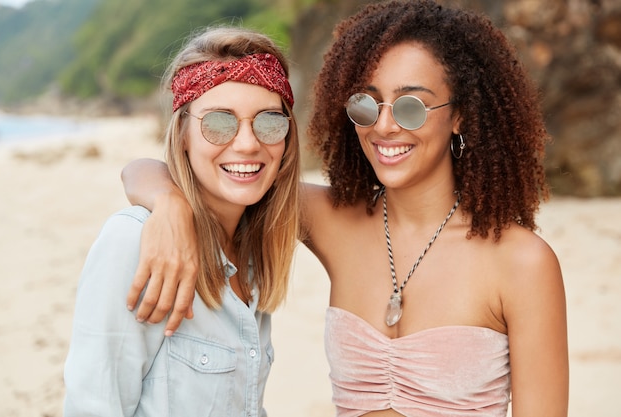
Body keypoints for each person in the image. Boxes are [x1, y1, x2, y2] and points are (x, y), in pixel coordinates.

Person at [121, 1, 569, 416]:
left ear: (460, 115)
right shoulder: (333, 221)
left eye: (411, 106)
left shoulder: (522, 263)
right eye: (367, 104)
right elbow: (159, 170)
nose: (386, 125)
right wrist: (169, 205)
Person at [63, 26, 301, 416]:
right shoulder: (135, 241)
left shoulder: (254, 254)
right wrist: (168, 202)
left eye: (269, 121)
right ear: (184, 133)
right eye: (219, 122)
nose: (247, 143)